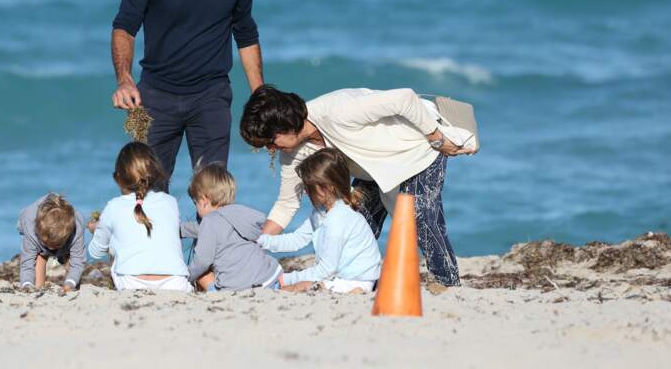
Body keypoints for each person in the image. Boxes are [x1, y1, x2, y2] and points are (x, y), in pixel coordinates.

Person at [240, 85, 477, 287]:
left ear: (286, 125)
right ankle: (350, 282)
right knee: (351, 219)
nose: (271, 149)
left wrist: (438, 139)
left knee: (420, 216)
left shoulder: (337, 111)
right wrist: (255, 245)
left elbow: (405, 98)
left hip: (418, 149)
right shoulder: (291, 153)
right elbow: (286, 204)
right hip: (373, 169)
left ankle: (448, 284)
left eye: (271, 141)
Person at [111, 0, 264, 183]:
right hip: (156, 94)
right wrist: (124, 79)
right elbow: (125, 27)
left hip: (211, 96)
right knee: (147, 188)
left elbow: (245, 32)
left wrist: (259, 94)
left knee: (213, 190)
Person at [257, 148, 381, 293]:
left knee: (296, 287)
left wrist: (286, 278)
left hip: (356, 279)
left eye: (309, 188)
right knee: (294, 285)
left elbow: (326, 270)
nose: (305, 192)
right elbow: (297, 239)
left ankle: (355, 291)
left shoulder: (338, 219)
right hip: (339, 276)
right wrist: (261, 241)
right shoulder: (321, 213)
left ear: (328, 188)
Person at [87, 142, 191, 292]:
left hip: (131, 283)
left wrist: (97, 229)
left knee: (116, 244)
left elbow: (95, 252)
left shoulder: (114, 206)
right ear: (155, 173)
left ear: (118, 178)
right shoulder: (170, 202)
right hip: (175, 282)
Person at [179, 162, 282, 292]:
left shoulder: (210, 221)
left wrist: (186, 276)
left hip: (238, 288)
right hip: (269, 278)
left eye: (196, 203)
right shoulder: (241, 213)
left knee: (202, 276)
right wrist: (180, 229)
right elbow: (205, 229)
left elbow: (202, 261)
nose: (196, 207)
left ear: (204, 200)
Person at [17, 193, 85, 291]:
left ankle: (72, 287)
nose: (51, 249)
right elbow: (27, 262)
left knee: (70, 258)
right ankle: (37, 288)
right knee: (40, 256)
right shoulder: (30, 227)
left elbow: (78, 261)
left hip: (66, 240)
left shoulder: (76, 228)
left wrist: (71, 282)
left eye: (56, 244)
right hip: (36, 233)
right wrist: (26, 284)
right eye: (48, 243)